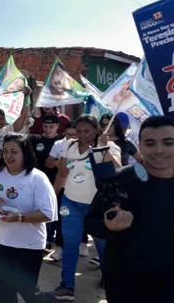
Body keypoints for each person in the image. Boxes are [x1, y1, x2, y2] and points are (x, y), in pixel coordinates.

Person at [85, 116, 174, 303]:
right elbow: (91, 223)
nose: (159, 150)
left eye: (168, 142)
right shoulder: (119, 180)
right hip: (127, 283)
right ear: (139, 147)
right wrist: (109, 227)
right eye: (150, 143)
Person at [0, 133, 57, 303]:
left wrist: (18, 217)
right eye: (5, 151)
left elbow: (48, 213)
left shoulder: (37, 178)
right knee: (4, 291)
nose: (8, 156)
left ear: (25, 153)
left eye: (14, 152)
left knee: (28, 292)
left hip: (27, 245)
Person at [51, 115, 122, 301]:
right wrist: (52, 196)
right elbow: (63, 173)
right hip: (70, 203)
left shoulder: (109, 147)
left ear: (97, 130)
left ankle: (109, 278)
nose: (81, 135)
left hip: (97, 207)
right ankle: (67, 285)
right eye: (78, 131)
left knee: (103, 246)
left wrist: (103, 150)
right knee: (70, 243)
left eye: (86, 131)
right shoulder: (69, 145)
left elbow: (119, 171)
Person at [44, 121, 90, 261]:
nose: (71, 137)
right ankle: (59, 247)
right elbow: (48, 163)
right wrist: (58, 163)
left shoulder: (87, 147)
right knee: (62, 217)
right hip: (64, 188)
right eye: (68, 134)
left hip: (83, 190)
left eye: (74, 134)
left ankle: (83, 242)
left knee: (83, 219)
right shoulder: (60, 145)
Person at [29, 114, 64, 253]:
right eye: (45, 126)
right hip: (38, 182)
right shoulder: (36, 139)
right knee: (39, 210)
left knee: (56, 212)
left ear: (57, 126)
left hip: (58, 181)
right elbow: (19, 138)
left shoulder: (62, 141)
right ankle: (45, 239)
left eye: (51, 126)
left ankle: (56, 242)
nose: (48, 129)